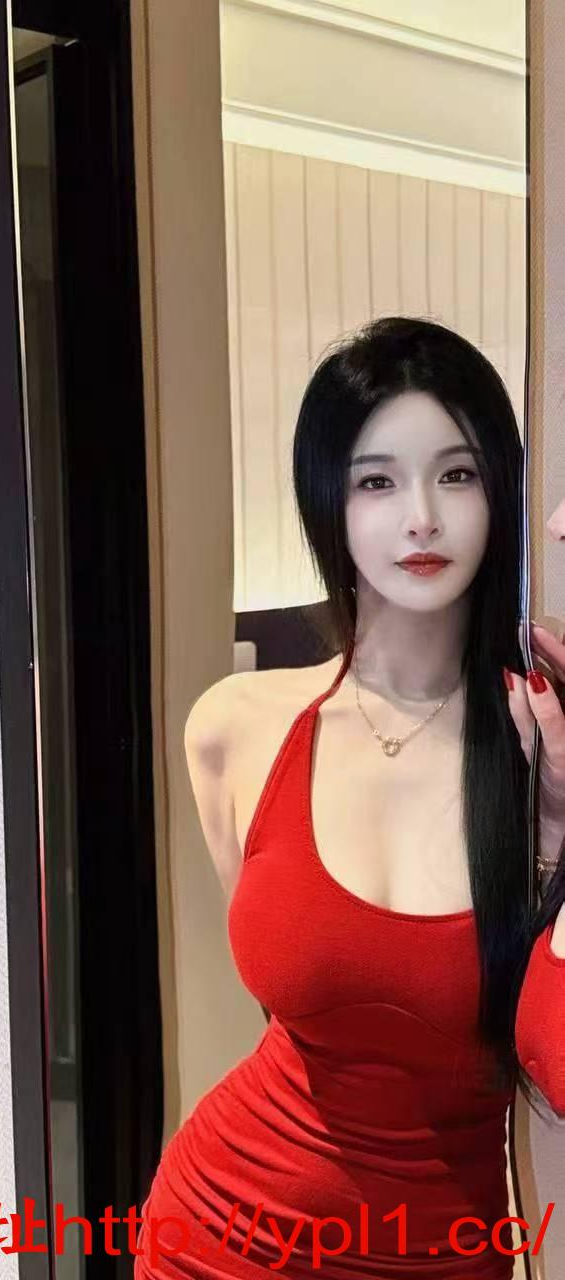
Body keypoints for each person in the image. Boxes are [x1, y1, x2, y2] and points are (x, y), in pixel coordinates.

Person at [135, 317, 565, 1280]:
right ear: (328, 500)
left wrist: (555, 828)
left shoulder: (545, 738)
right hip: (216, 1239)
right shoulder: (236, 726)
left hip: (441, 1254)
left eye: (457, 474)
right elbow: (289, 1010)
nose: (421, 517)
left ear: (499, 489)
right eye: (377, 481)